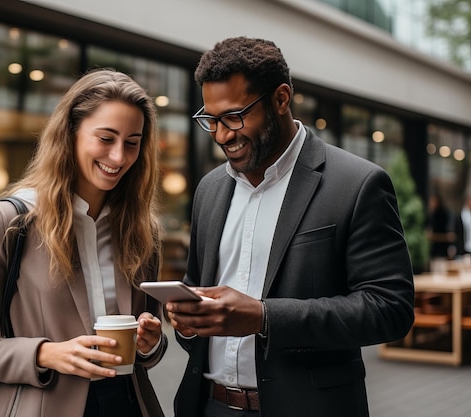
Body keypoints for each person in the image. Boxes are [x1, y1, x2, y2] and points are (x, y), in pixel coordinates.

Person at [165, 37, 415, 417]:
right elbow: (199, 291)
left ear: (281, 99)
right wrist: (187, 322)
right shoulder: (210, 189)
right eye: (210, 121)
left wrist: (265, 317)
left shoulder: (357, 183)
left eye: (234, 117)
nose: (221, 135)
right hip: (210, 405)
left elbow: (389, 309)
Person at [0, 69, 167, 417]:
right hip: (43, 404)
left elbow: (149, 348)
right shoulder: (9, 221)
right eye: (106, 138)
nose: (118, 157)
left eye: (132, 142)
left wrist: (150, 343)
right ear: (71, 133)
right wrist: (44, 354)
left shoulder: (143, 231)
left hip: (127, 404)